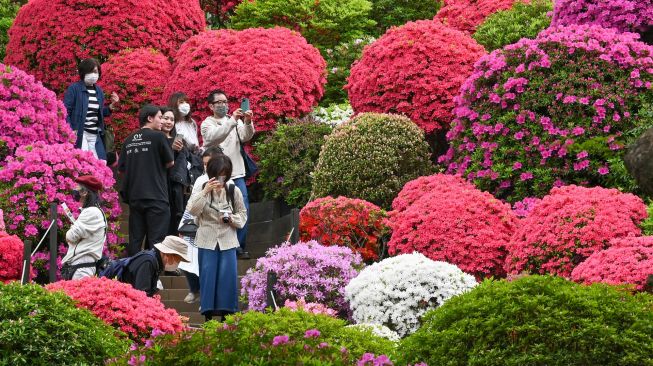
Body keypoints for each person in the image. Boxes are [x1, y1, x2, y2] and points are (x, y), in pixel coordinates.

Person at [187, 155, 247, 321]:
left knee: (227, 277)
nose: (220, 178)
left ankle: (227, 315)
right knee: (208, 277)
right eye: (217, 174)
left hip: (227, 238)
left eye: (224, 175)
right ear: (210, 173)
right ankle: (207, 315)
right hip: (206, 239)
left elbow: (242, 214)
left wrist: (231, 219)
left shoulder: (233, 190)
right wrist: (205, 191)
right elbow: (192, 210)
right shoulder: (201, 188)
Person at [201, 90, 254, 259]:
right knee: (220, 207)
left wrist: (247, 122)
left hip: (237, 173)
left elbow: (246, 137)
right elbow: (214, 138)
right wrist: (233, 121)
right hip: (218, 175)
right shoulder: (207, 124)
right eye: (219, 102)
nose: (224, 105)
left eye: (225, 101)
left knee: (242, 207)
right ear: (211, 106)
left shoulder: (234, 121)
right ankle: (223, 245)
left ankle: (239, 246)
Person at [118, 104, 175, 256]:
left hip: (135, 197)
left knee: (135, 240)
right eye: (160, 117)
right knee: (156, 241)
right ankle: (152, 276)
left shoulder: (128, 140)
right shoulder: (159, 136)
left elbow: (121, 168)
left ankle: (134, 275)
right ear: (150, 118)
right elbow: (170, 162)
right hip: (156, 196)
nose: (162, 121)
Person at [178, 147, 225, 304]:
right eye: (204, 164)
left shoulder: (227, 180)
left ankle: (207, 298)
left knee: (208, 266)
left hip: (216, 228)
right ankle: (194, 289)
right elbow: (192, 204)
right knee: (187, 260)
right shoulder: (200, 180)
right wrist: (183, 225)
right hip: (195, 224)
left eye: (209, 163)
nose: (206, 167)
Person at [63, 58, 119, 160]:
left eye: (96, 72)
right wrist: (70, 129)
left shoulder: (99, 91)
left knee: (101, 161)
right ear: (83, 72)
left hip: (95, 133)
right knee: (83, 160)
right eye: (90, 71)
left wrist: (112, 105)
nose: (93, 74)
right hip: (79, 132)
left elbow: (99, 113)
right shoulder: (74, 89)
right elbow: (65, 111)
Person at [61, 175, 106, 280]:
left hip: (81, 268)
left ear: (85, 192)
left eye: (78, 189)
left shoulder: (91, 212)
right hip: (81, 266)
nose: (75, 192)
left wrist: (72, 229)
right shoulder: (95, 210)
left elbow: (70, 237)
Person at [121, 236, 190, 297]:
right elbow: (142, 294)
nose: (178, 263)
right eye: (178, 259)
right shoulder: (148, 262)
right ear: (168, 254)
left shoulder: (155, 262)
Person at [160, 107, 188, 235]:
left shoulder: (178, 140)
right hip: (160, 182)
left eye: (172, 119)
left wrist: (180, 150)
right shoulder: (156, 138)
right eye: (166, 118)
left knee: (175, 217)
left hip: (175, 184)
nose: (169, 122)